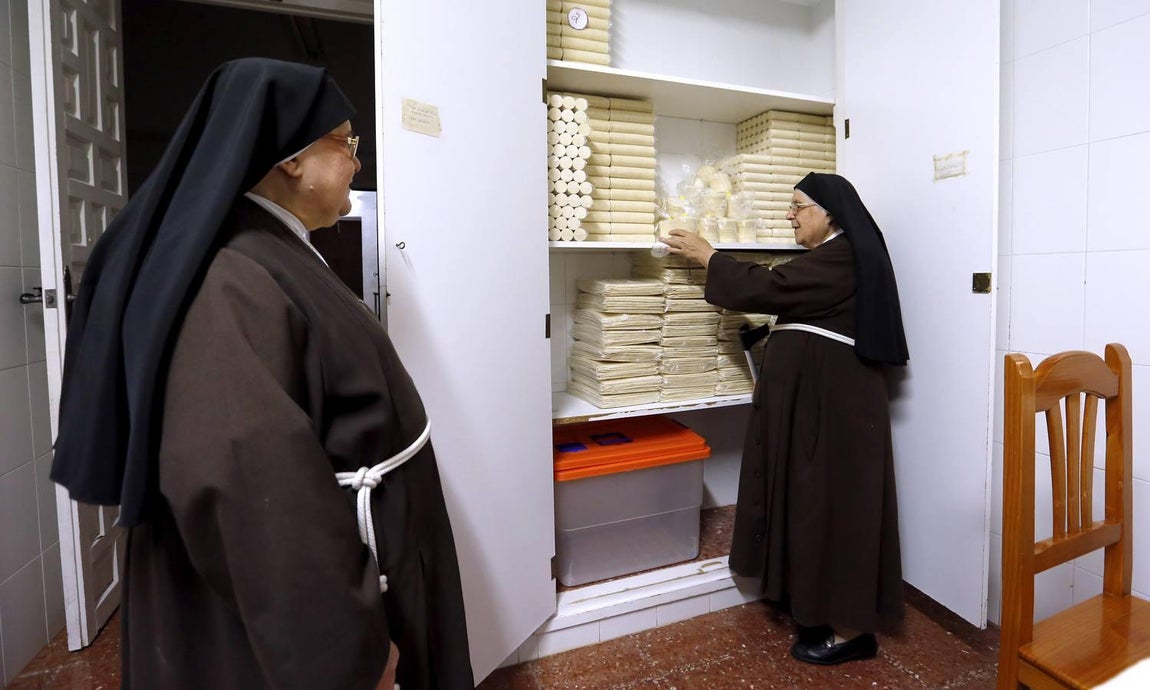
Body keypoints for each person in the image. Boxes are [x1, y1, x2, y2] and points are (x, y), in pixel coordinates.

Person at [49, 57, 474, 689]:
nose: (358, 162)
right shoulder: (230, 278)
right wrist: (349, 650)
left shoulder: (272, 249)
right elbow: (247, 481)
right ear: (292, 159)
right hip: (300, 620)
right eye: (347, 143)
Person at [659, 172, 908, 666]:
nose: (790, 216)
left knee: (835, 507)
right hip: (821, 402)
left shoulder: (842, 255)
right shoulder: (832, 255)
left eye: (797, 206)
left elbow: (771, 286)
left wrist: (709, 255)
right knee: (812, 501)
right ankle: (814, 602)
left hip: (834, 407)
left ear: (829, 213)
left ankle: (852, 631)